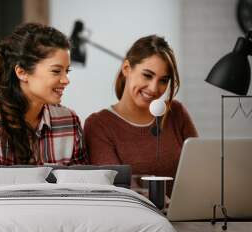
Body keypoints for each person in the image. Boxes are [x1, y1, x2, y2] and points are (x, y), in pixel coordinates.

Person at [0, 23, 88, 186]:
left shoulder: (68, 120)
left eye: (67, 71)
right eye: (56, 71)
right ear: (22, 72)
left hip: (58, 210)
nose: (66, 80)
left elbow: (83, 188)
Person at [84, 35, 198, 196]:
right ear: (126, 69)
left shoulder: (176, 113)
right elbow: (115, 189)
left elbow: (201, 171)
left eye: (163, 80)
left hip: (188, 216)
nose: (154, 88)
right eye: (147, 75)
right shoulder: (99, 125)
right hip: (136, 218)